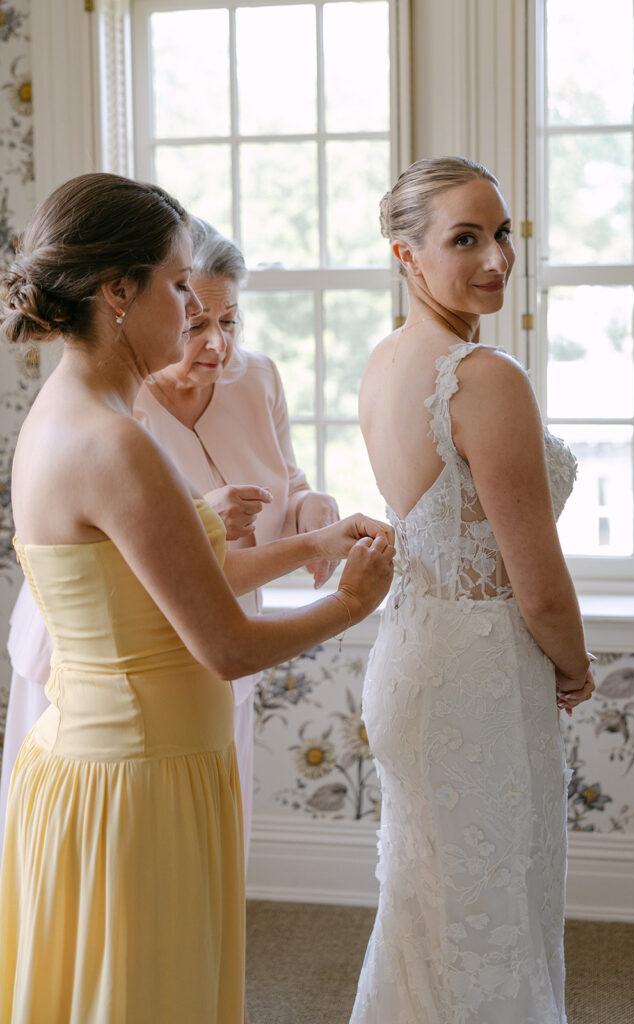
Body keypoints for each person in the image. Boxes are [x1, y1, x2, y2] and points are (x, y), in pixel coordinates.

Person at [0, 172, 394, 1024]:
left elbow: (167, 588)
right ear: (117, 292)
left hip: (126, 762)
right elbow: (228, 647)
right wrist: (350, 605)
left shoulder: (63, 413)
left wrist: (311, 540)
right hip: (139, 782)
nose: (191, 311)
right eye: (178, 285)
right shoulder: (115, 442)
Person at [0, 217, 341, 870]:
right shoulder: (122, 407)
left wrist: (308, 507)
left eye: (230, 322)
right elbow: (156, 552)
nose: (216, 344)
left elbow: (286, 479)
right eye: (194, 320)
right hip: (109, 655)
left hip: (217, 640)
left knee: (202, 845)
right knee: (94, 858)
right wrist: (202, 520)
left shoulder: (258, 380)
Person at [350, 157, 595, 1023]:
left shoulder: (383, 364)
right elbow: (536, 582)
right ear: (405, 256)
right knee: (495, 912)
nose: (495, 258)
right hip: (482, 676)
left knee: (429, 910)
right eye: (465, 239)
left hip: (411, 659)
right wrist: (573, 664)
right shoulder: (485, 377)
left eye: (502, 234)